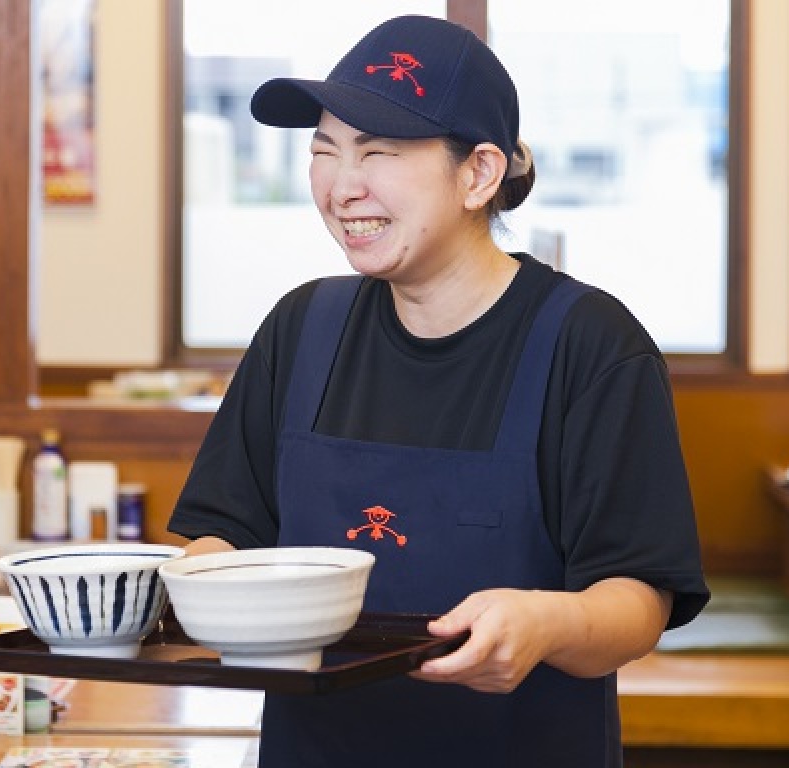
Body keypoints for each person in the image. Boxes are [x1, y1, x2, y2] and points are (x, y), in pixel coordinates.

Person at [168, 14, 709, 768]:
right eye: (324, 151)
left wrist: (546, 623)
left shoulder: (590, 345)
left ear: (479, 174)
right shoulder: (302, 329)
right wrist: (182, 587)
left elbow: (640, 601)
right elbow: (224, 538)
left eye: (378, 152)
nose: (341, 185)